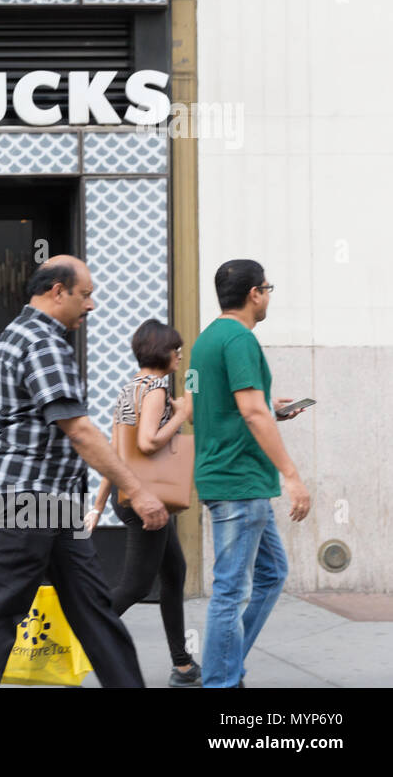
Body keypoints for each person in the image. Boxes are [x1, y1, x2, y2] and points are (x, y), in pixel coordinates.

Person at [0, 256, 168, 688]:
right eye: (85, 295)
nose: (91, 306)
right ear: (57, 292)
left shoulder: (19, 333)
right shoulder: (42, 340)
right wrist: (137, 490)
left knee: (93, 610)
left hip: (48, 501)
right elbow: (79, 430)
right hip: (31, 498)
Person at [191, 260, 311, 689]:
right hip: (238, 482)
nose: (268, 296)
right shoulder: (240, 339)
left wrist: (269, 406)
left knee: (272, 573)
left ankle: (227, 666)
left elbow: (229, 405)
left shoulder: (207, 340)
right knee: (229, 592)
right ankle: (220, 682)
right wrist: (292, 476)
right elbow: (250, 410)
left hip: (230, 479)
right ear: (255, 293)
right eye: (268, 288)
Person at [88, 319, 200, 686]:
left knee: (174, 573)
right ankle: (77, 637)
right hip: (147, 498)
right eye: (176, 350)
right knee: (135, 585)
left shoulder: (128, 388)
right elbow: (149, 443)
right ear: (162, 352)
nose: (180, 356)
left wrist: (99, 505)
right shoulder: (154, 389)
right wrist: (182, 414)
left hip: (132, 495)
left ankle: (183, 665)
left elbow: (115, 452)